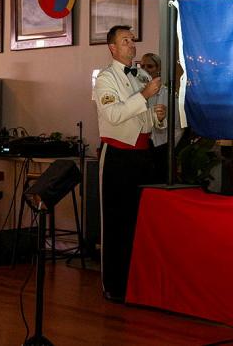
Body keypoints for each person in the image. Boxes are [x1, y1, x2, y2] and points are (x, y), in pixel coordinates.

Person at [93, 25, 166, 303]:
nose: (131, 45)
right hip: (118, 156)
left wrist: (157, 115)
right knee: (116, 222)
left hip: (143, 155)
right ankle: (114, 285)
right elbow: (113, 115)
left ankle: (139, 283)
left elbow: (146, 119)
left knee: (140, 221)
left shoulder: (142, 75)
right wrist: (145, 96)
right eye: (125, 41)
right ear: (112, 47)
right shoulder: (105, 78)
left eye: (132, 40)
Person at [140, 52, 185, 182]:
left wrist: (168, 146)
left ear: (158, 68)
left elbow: (178, 126)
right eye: (142, 66)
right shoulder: (137, 94)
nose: (145, 70)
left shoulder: (169, 94)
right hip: (141, 147)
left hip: (163, 148)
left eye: (150, 66)